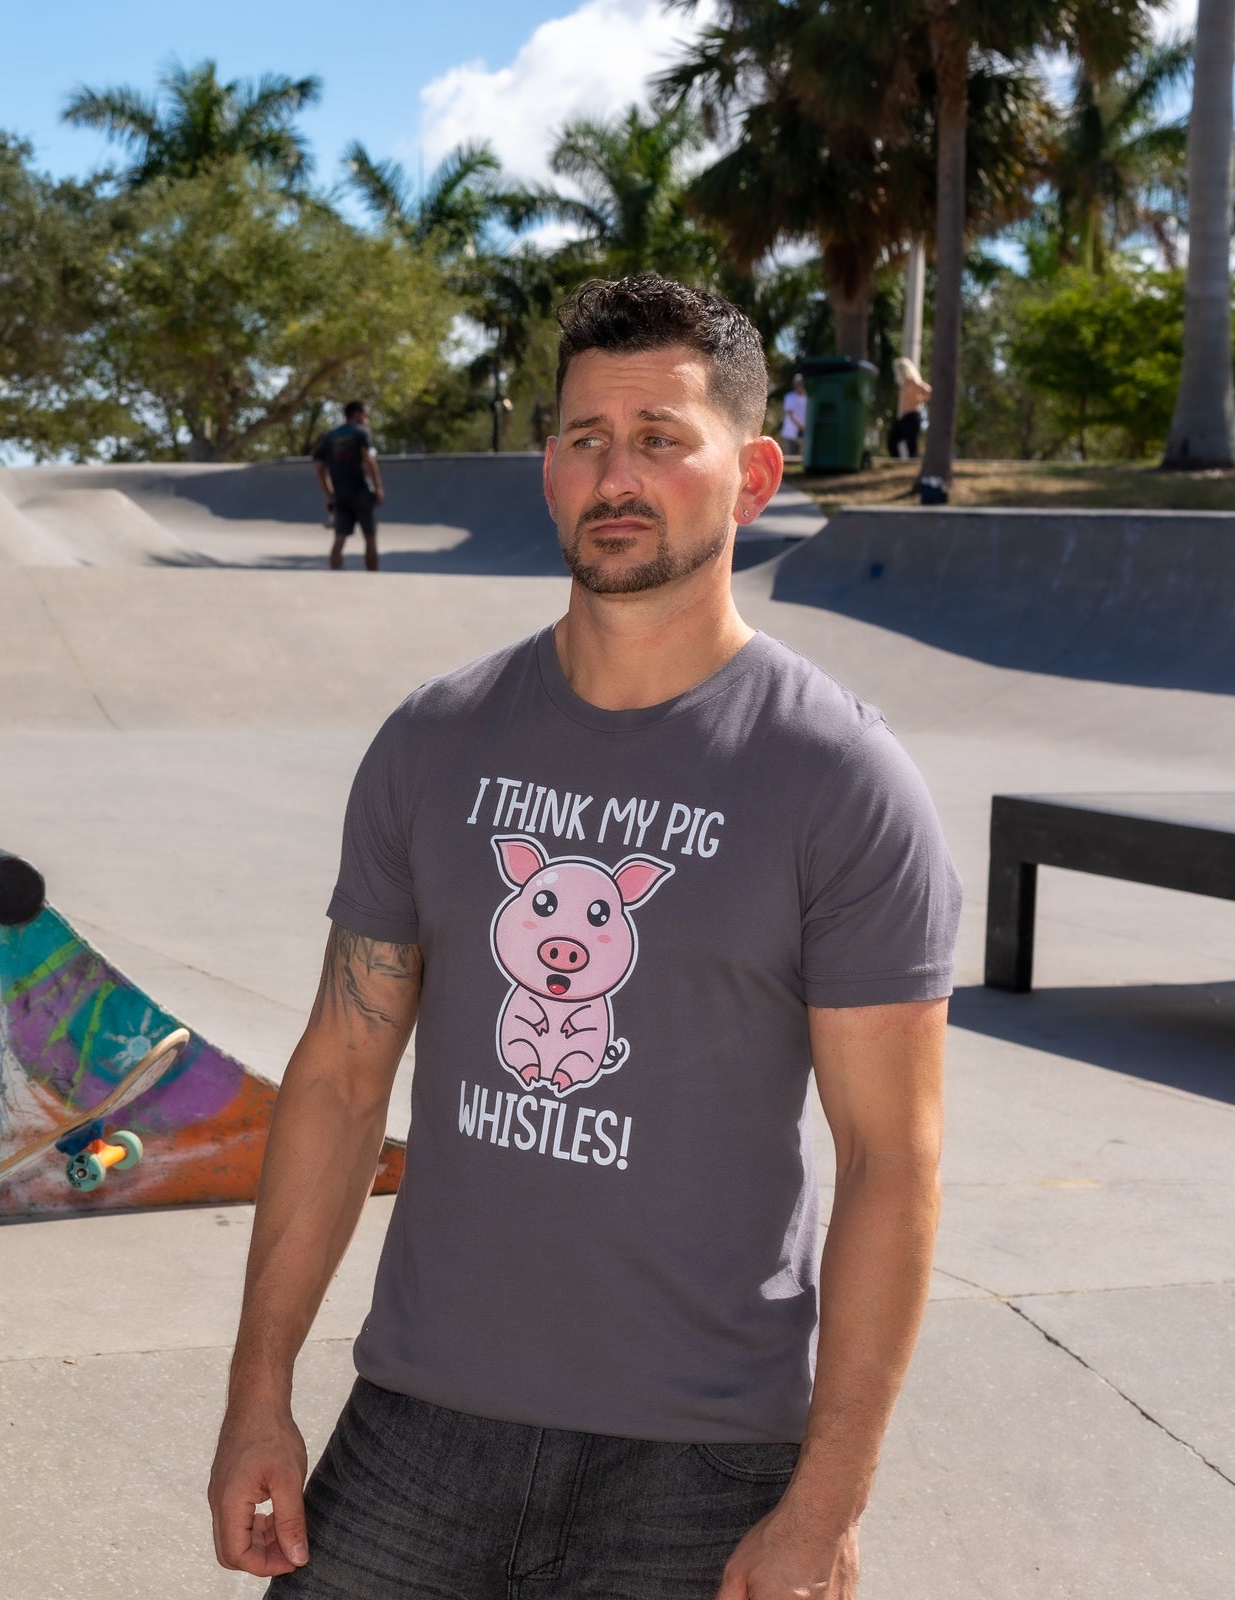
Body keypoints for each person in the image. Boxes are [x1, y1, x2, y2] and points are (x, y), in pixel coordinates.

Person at [209, 274, 958, 1599]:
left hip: (705, 1460)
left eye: (663, 439)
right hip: (421, 1426)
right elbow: (336, 1080)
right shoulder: (434, 743)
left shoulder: (837, 779)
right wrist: (259, 1393)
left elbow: (889, 1163)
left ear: (753, 475)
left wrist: (826, 1502)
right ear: (549, 470)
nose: (618, 473)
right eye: (583, 439)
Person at [313, 401, 386, 571]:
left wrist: (329, 493)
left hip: (340, 494)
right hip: (361, 491)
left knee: (339, 538)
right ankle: (373, 579)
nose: (367, 419)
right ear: (357, 414)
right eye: (366, 415)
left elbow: (319, 468)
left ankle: (335, 578)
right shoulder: (361, 432)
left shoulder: (330, 436)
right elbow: (368, 459)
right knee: (370, 538)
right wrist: (378, 486)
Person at [888, 356, 931, 459]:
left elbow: (929, 391)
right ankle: (896, 462)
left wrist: (919, 400)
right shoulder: (903, 384)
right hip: (904, 417)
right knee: (892, 440)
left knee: (911, 445)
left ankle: (913, 467)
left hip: (913, 416)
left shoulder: (913, 382)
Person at [780, 371, 807, 455]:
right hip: (790, 433)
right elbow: (791, 414)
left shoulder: (807, 398)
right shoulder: (789, 397)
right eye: (799, 384)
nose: (801, 386)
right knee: (790, 458)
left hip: (803, 434)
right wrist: (801, 425)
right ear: (795, 385)